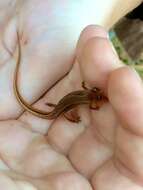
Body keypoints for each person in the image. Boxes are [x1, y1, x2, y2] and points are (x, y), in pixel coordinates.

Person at [0, 0, 142, 189]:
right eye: (100, 97)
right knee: (63, 109)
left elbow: (86, 89)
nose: (102, 98)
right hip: (60, 107)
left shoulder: (90, 94)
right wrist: (75, 115)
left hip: (62, 105)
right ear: (95, 95)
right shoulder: (90, 100)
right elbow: (88, 100)